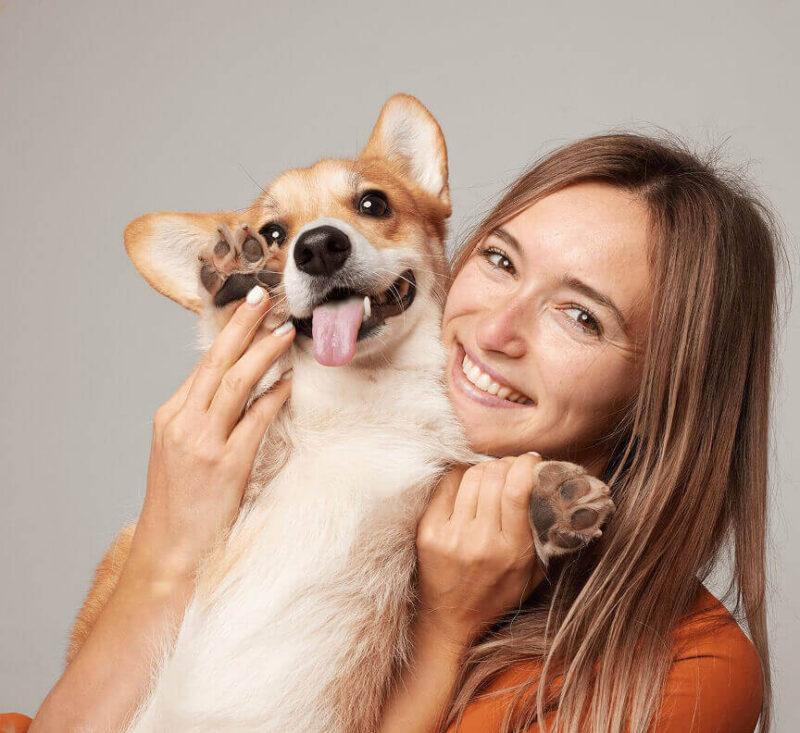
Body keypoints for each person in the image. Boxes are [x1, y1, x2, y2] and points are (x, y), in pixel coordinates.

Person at [4, 133, 777, 733]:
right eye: (501, 259)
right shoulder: (277, 454)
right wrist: (165, 552)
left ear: (666, 389)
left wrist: (442, 632)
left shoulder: (689, 669)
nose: (495, 330)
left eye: (581, 315)